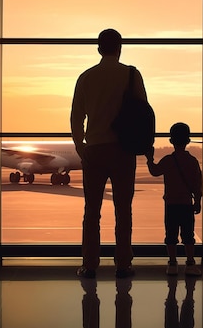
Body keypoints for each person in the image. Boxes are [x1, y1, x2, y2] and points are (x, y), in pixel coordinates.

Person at [71, 28, 148, 279]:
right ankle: (123, 264)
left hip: (94, 150)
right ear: (120, 47)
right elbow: (143, 113)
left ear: (98, 48)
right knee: (123, 210)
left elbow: (76, 117)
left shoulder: (86, 77)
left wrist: (81, 147)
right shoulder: (131, 75)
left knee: (91, 211)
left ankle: (90, 264)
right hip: (123, 151)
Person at [145, 122, 202, 276]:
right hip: (186, 204)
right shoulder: (192, 162)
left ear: (171, 141)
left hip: (171, 204)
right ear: (188, 141)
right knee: (188, 235)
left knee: (171, 235)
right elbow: (197, 184)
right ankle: (190, 264)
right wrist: (197, 201)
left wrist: (149, 159)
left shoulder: (168, 160)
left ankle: (172, 263)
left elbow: (155, 171)